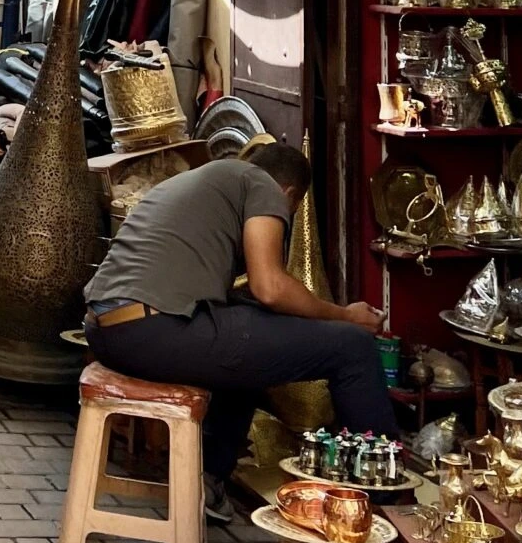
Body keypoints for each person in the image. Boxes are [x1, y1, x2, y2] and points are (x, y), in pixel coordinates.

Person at [82, 140, 397, 522]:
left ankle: (210, 478)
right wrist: (344, 316)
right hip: (153, 330)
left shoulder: (201, 180)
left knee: (249, 346)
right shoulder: (263, 186)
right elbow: (270, 287)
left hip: (105, 330)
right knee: (354, 347)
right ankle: (384, 509)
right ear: (290, 194)